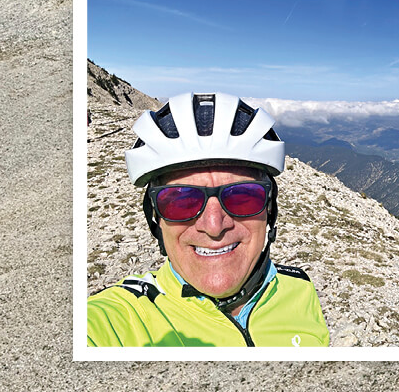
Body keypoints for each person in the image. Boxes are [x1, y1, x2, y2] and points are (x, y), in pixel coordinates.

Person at [86, 92, 329, 347]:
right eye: (181, 201)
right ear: (155, 219)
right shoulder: (112, 323)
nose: (214, 226)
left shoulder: (300, 290)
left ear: (269, 209)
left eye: (243, 196)